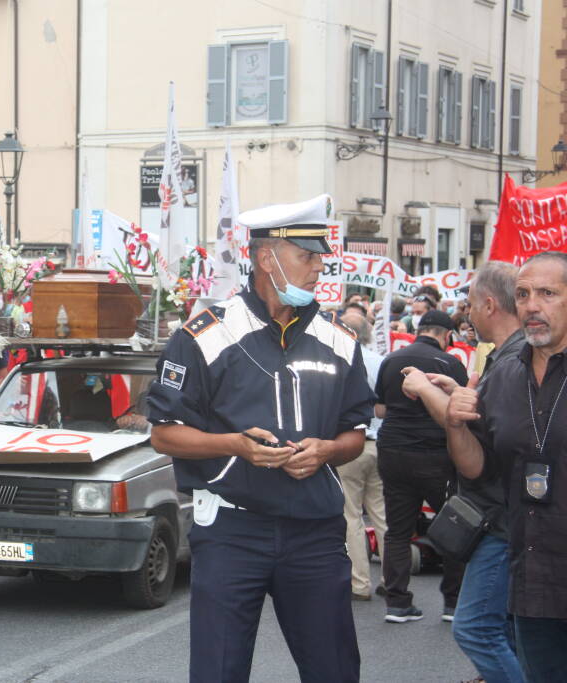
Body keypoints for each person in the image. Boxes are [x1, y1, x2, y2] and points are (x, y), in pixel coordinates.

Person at [147, 194, 373, 683]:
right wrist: (236, 445)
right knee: (218, 671)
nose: (319, 269)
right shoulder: (204, 335)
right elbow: (164, 434)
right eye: (307, 257)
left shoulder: (341, 338)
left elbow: (355, 433)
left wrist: (329, 451)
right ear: (266, 257)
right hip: (232, 532)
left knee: (334, 670)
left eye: (320, 258)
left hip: (315, 531)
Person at [436, 252, 567, 682]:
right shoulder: (505, 374)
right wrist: (456, 424)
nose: (532, 305)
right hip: (531, 583)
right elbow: (478, 469)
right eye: (524, 294)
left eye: (547, 294)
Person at [401, 261, 525, 683]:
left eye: (471, 304)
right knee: (506, 630)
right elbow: (482, 420)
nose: (467, 314)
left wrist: (425, 390)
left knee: (476, 629)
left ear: (490, 304)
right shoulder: (509, 359)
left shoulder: (513, 362)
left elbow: (475, 448)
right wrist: (458, 394)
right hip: (506, 515)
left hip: (500, 517)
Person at [374, 309, 466, 623]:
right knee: (455, 526)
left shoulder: (391, 360)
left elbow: (380, 408)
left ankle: (397, 603)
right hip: (437, 454)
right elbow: (461, 409)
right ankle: (453, 603)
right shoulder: (451, 364)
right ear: (446, 335)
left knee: (397, 531)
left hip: (394, 451)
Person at [336, 313, 388, 602]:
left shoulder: (341, 358)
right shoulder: (380, 360)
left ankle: (359, 582)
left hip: (352, 445)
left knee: (352, 516)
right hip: (379, 444)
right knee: (381, 514)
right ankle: (394, 579)